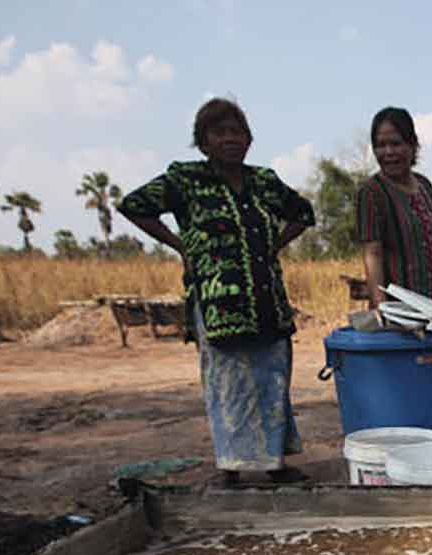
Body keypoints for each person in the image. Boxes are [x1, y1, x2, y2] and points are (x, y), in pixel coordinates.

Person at [119, 97, 316, 486]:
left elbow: (303, 213)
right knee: (228, 382)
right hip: (218, 303)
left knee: (272, 378)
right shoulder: (186, 181)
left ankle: (273, 462)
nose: (230, 139)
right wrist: (181, 245)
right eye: (219, 132)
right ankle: (231, 465)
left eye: (237, 132)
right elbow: (134, 205)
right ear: (203, 141)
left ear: (249, 139)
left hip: (265, 299)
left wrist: (274, 245)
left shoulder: (263, 181)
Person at [356, 107, 432, 308]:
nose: (388, 152)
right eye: (380, 145)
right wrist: (381, 308)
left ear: (413, 145)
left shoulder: (425, 187)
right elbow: (372, 254)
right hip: (402, 317)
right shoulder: (372, 192)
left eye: (395, 143)